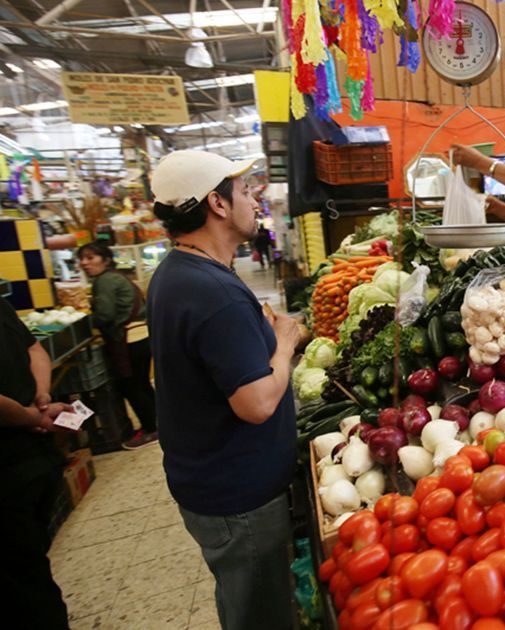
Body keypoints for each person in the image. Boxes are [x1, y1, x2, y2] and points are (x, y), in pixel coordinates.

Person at [148, 150, 301, 630]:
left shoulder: (179, 272)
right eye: (244, 190)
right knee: (261, 614)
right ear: (216, 203)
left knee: (247, 602)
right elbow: (255, 403)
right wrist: (284, 345)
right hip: (239, 498)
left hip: (213, 481)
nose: (254, 198)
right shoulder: (211, 292)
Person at [0, 295, 74, 629]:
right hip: (38, 457)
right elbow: (34, 350)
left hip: (10, 465)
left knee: (21, 579)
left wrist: (32, 416)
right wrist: (42, 399)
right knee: (31, 563)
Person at [77, 241, 159, 450]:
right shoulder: (116, 276)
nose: (85, 263)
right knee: (141, 384)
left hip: (129, 339)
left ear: (105, 259)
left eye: (90, 258)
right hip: (142, 336)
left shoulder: (104, 281)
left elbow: (105, 315)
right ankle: (159, 424)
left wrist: (83, 321)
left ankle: (152, 429)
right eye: (82, 259)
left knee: (131, 386)